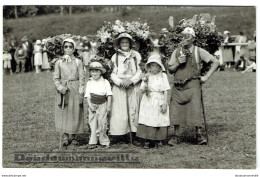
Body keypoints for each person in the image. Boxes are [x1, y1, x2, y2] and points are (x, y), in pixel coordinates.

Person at [168, 27, 219, 145]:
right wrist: (177, 63)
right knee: (176, 109)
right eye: (183, 36)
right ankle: (176, 136)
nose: (184, 39)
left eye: (187, 36)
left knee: (195, 108)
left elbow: (216, 62)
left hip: (193, 84)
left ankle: (198, 135)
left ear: (193, 38)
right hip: (178, 85)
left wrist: (206, 77)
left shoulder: (198, 51)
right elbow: (170, 69)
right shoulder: (176, 51)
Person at [109, 33, 142, 145]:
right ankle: (120, 135)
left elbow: (140, 71)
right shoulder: (115, 57)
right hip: (120, 86)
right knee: (119, 111)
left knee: (134, 109)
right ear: (119, 44)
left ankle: (134, 135)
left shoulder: (136, 55)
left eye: (126, 42)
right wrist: (120, 82)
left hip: (132, 85)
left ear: (130, 44)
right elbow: (113, 73)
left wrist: (132, 81)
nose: (124, 44)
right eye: (122, 42)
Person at [53, 38, 85, 147]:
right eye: (66, 47)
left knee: (75, 111)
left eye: (70, 47)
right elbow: (56, 77)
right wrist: (60, 87)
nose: (68, 49)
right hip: (64, 89)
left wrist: (81, 89)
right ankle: (66, 136)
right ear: (63, 48)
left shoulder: (78, 61)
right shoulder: (59, 62)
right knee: (64, 110)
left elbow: (82, 77)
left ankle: (74, 136)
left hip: (75, 88)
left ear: (73, 48)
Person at [137, 52, 170, 149]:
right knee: (148, 118)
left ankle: (158, 139)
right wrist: (144, 84)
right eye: (152, 66)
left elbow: (166, 90)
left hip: (159, 98)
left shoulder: (163, 76)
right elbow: (141, 89)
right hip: (148, 99)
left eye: (157, 66)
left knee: (159, 118)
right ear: (149, 67)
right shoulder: (147, 76)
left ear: (160, 67)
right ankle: (147, 139)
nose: (154, 68)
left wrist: (164, 103)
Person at [85, 61, 112, 149]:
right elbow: (87, 95)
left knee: (102, 122)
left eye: (97, 71)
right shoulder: (89, 82)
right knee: (93, 123)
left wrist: (108, 106)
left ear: (101, 72)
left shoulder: (105, 82)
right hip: (93, 104)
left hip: (102, 104)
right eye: (92, 71)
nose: (94, 73)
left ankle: (104, 141)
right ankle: (93, 141)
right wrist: (90, 105)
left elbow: (109, 94)